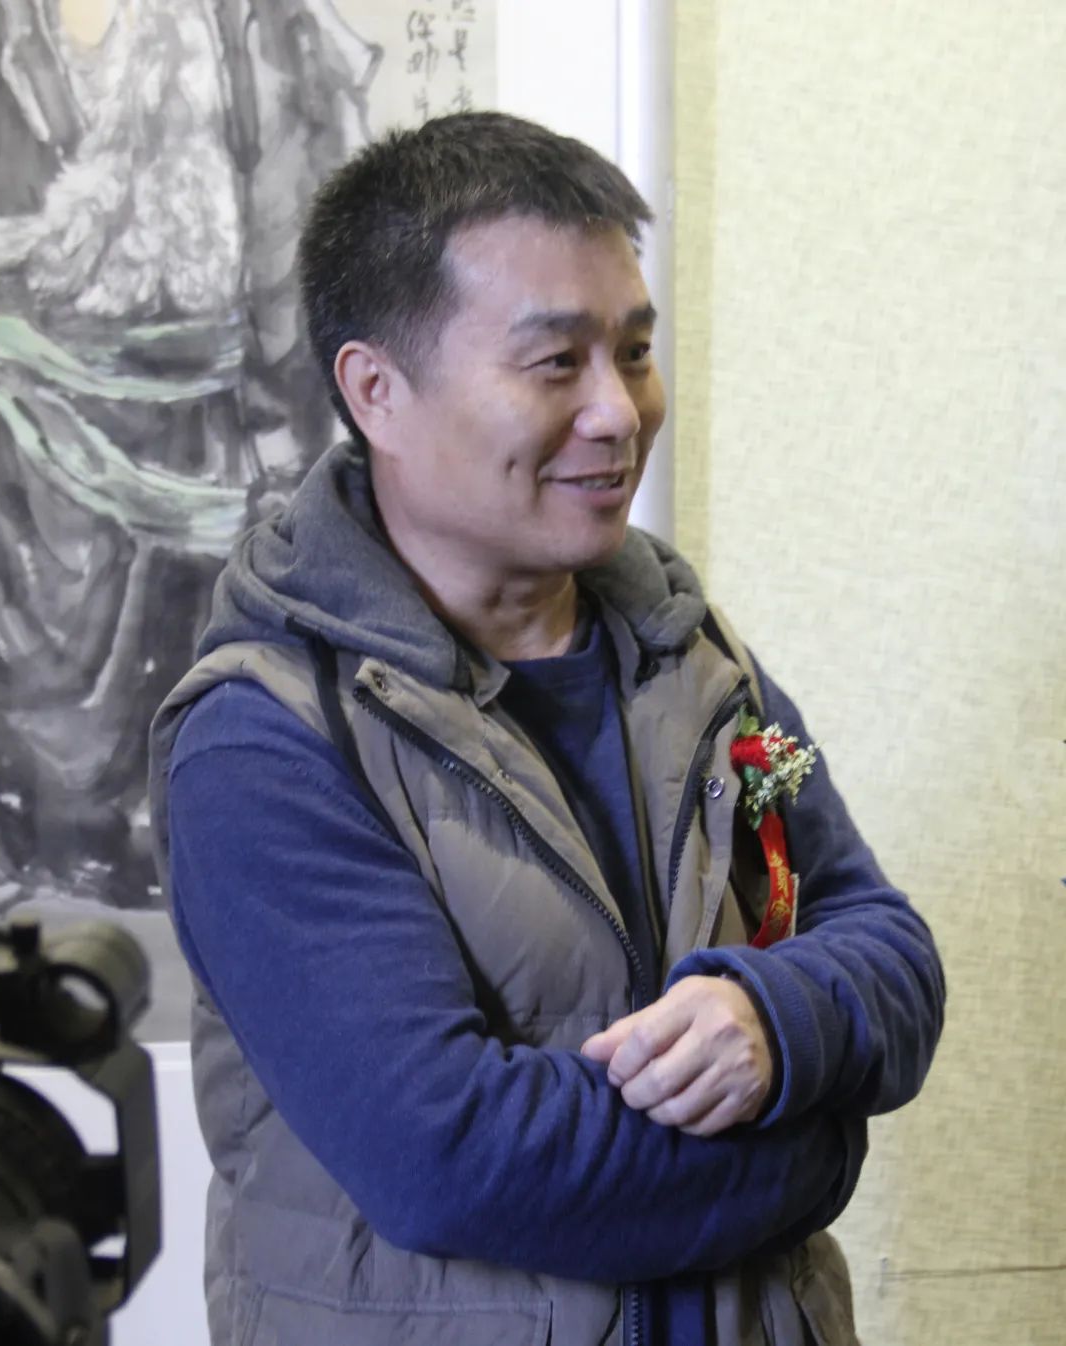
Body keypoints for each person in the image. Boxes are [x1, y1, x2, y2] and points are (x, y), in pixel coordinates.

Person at [149, 112, 944, 1346]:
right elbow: (450, 1156)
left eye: (634, 351)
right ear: (377, 390)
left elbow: (891, 950)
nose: (619, 411)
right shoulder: (266, 736)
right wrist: (824, 1149)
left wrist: (778, 1022)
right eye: (556, 361)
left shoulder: (686, 647)